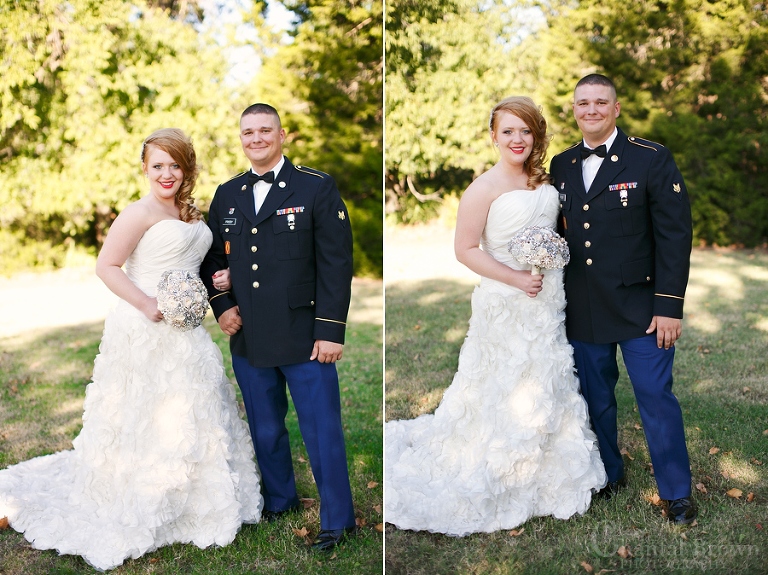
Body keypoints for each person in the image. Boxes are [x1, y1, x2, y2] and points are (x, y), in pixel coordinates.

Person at [0, 128, 263, 570]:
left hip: (186, 330)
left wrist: (218, 281)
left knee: (191, 408)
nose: (166, 173)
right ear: (144, 168)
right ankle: (142, 495)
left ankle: (198, 496)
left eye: (174, 165)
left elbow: (198, 264)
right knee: (145, 410)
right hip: (144, 325)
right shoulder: (137, 214)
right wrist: (146, 304)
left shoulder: (192, 214)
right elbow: (107, 266)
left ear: (186, 169)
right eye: (157, 165)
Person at [384, 96, 606, 536]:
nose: (517, 139)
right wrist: (515, 278)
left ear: (536, 136)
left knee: (546, 375)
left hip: (548, 300)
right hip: (505, 301)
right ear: (493, 137)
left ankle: (547, 461)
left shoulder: (548, 182)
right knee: (501, 380)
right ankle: (497, 460)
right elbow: (465, 249)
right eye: (508, 131)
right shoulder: (482, 188)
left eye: (525, 131)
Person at [200, 103, 356, 551]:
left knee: (320, 428)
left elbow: (335, 262)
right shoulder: (228, 193)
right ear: (241, 138)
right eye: (248, 132)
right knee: (266, 428)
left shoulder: (315, 187)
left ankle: (338, 519)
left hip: (305, 333)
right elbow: (213, 258)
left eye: (265, 130)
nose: (256, 139)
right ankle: (280, 501)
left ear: (282, 135)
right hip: (249, 334)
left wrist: (330, 330)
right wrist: (222, 304)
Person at [549, 74, 696, 524]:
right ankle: (608, 475)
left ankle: (676, 491)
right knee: (596, 399)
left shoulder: (650, 158)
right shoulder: (562, 164)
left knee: (655, 396)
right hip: (585, 308)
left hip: (641, 309)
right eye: (582, 103)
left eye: (600, 102)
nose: (591, 110)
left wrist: (668, 305)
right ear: (573, 110)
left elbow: (675, 235)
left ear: (616, 108)